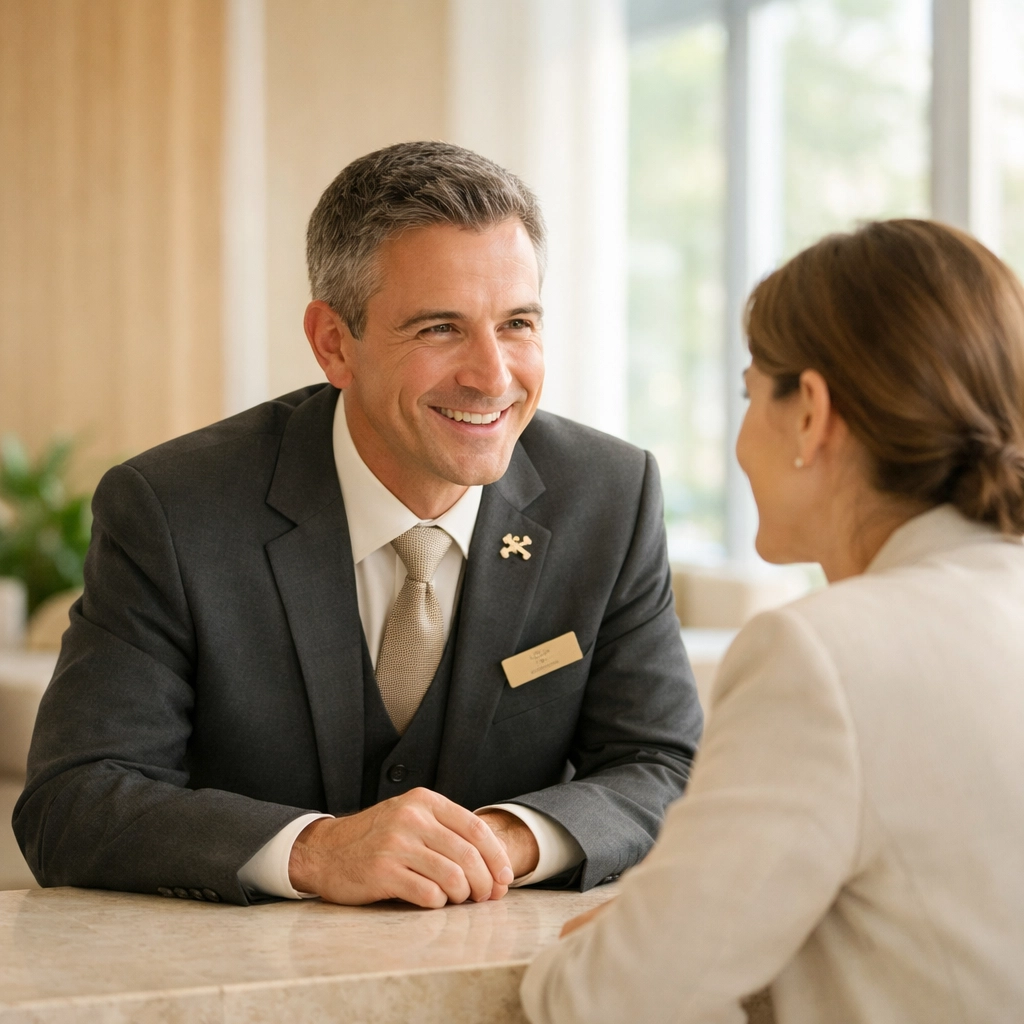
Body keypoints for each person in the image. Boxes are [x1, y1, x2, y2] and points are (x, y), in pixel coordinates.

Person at [14, 141, 702, 909]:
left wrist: (500, 841)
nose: (493, 375)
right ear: (333, 343)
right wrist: (314, 851)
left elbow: (664, 766)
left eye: (517, 323)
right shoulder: (173, 509)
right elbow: (71, 802)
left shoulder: (611, 495)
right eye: (440, 328)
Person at [521, 219, 1024, 1023]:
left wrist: (608, 943)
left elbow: (610, 999)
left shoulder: (821, 654)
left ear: (811, 412)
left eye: (752, 396)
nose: (740, 443)